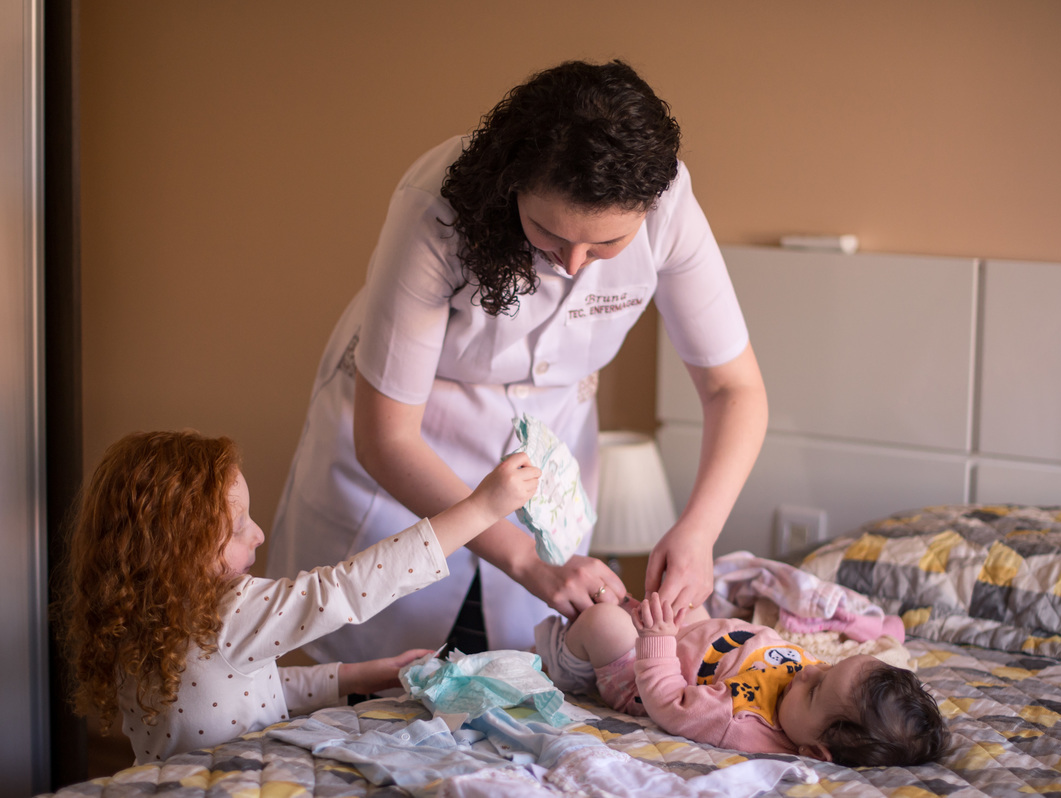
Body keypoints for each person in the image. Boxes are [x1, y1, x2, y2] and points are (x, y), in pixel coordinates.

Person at [266, 58, 768, 662]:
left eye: (606, 244)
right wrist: (527, 561)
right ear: (513, 185)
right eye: (549, 233)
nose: (573, 264)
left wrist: (699, 530)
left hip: (543, 463)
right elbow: (387, 439)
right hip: (404, 475)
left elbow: (733, 389)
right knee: (373, 682)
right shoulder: (436, 208)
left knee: (525, 670)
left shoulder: (668, 204)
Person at [57, 430, 540, 765]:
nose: (258, 534)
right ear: (176, 549)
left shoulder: (138, 615)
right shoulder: (227, 611)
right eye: (238, 527)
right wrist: (481, 509)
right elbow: (346, 589)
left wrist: (363, 674)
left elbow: (245, 687)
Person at [536, 593, 948, 766]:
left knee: (605, 622)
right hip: (696, 642)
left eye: (817, 688)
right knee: (684, 598)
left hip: (645, 676)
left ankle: (564, 661)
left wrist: (657, 640)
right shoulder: (817, 693)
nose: (810, 670)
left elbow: (670, 702)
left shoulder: (740, 720)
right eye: (829, 666)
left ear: (814, 751)